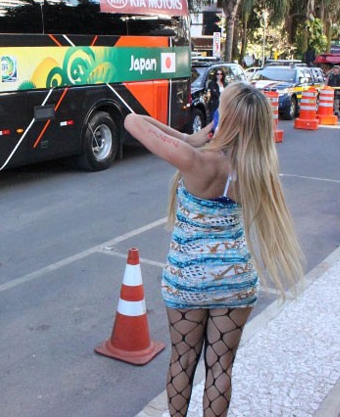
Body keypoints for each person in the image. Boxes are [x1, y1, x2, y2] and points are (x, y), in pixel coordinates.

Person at [124, 82, 305, 417]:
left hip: (187, 280)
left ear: (225, 117)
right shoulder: (257, 168)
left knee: (182, 360)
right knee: (221, 368)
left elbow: (133, 121)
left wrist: (189, 139)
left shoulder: (196, 160)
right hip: (236, 279)